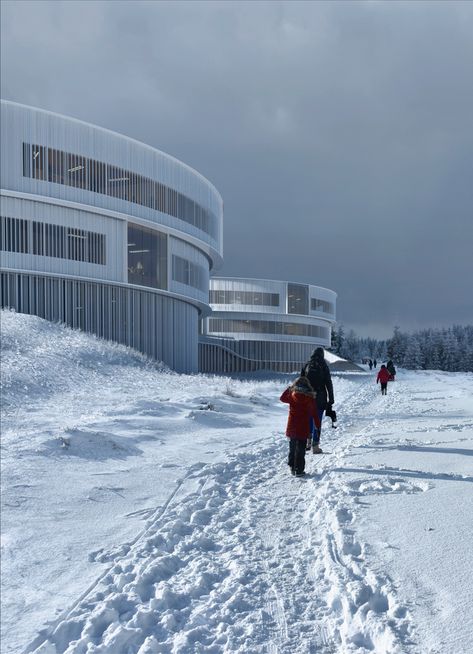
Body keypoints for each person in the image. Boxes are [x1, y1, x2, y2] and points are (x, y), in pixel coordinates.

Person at [280, 377, 321, 477]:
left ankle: (292, 466)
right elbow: (314, 413)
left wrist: (289, 388)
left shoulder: (291, 395)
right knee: (301, 448)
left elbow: (282, 398)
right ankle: (299, 470)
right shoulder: (309, 398)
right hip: (303, 427)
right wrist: (317, 425)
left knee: (292, 447)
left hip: (292, 426)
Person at [301, 347, 335, 454]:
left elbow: (301, 382)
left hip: (307, 397)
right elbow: (328, 383)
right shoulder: (324, 366)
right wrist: (331, 399)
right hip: (320, 398)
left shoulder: (307, 365)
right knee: (317, 421)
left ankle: (308, 442)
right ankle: (315, 446)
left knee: (308, 420)